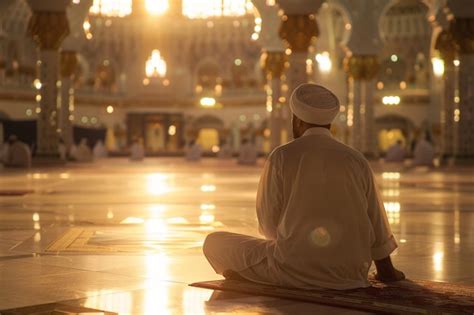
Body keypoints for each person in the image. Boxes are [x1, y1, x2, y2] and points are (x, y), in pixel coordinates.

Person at [203, 83, 404, 290]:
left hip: (292, 270)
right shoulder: (355, 159)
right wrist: (385, 270)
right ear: (329, 123)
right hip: (351, 272)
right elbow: (376, 219)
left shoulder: (282, 156)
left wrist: (299, 248)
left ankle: (256, 275)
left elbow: (268, 225)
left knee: (214, 242)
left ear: (297, 120)